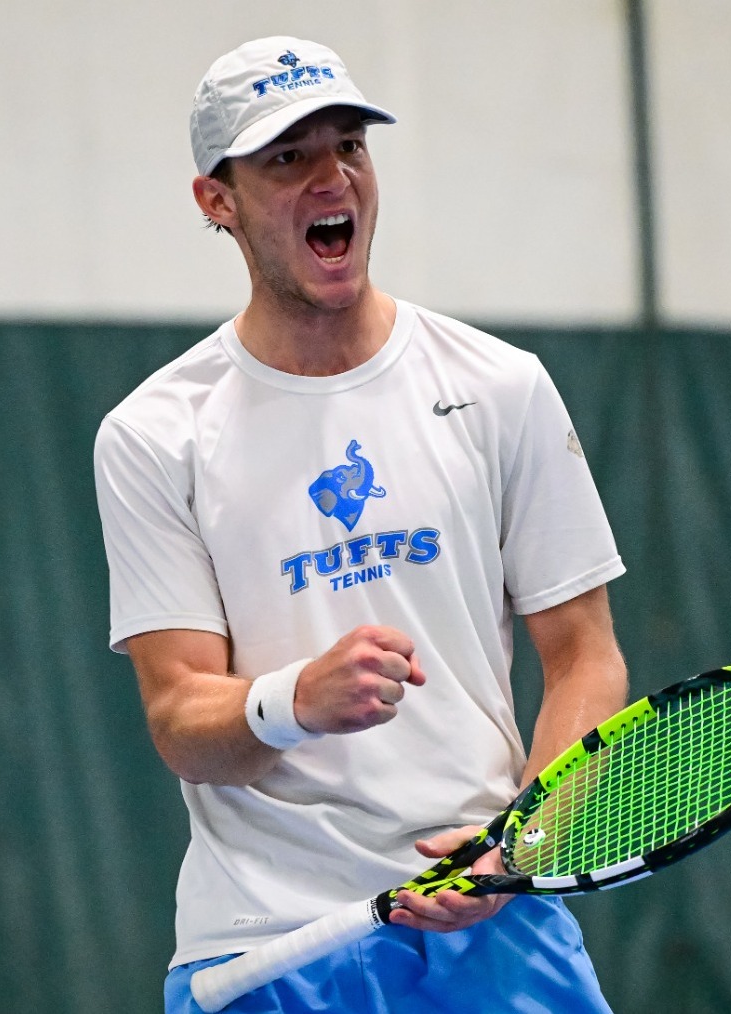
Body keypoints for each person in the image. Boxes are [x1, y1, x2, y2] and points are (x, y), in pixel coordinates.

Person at [93, 35, 629, 1014]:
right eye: (287, 158)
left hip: (500, 936)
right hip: (275, 952)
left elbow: (585, 657)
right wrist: (299, 699)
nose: (330, 178)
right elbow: (180, 721)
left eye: (347, 147)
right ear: (218, 198)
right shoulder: (155, 435)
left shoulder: (499, 388)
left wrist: (517, 852)